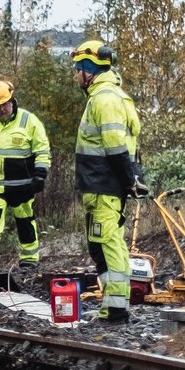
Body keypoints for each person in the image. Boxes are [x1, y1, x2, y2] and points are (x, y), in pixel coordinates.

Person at [71, 37, 141, 324]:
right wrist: (132, 179)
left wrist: (129, 180)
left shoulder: (105, 99)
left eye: (77, 69)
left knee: (108, 245)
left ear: (89, 70)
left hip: (104, 186)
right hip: (102, 185)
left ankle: (115, 310)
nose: (75, 75)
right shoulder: (109, 95)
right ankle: (113, 305)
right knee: (100, 245)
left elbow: (116, 147)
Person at [0, 79, 50, 289]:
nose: (2, 108)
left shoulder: (29, 121)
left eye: (5, 104)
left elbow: (42, 150)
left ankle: (29, 261)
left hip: (22, 186)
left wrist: (40, 174)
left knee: (25, 222)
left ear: (12, 100)